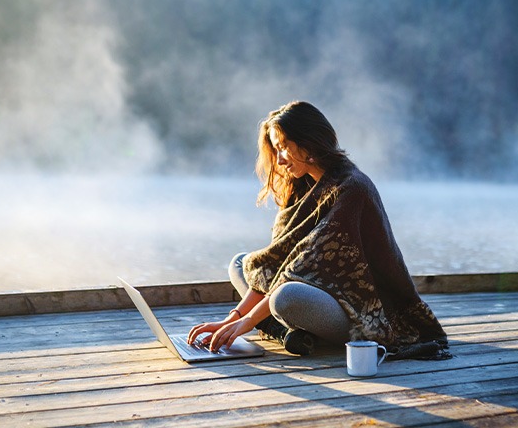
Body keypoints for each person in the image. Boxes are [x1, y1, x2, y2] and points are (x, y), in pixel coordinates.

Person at [187, 101, 449, 360]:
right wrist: (230, 319)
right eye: (276, 150)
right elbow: (277, 265)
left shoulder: (352, 188)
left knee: (285, 297)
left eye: (283, 148)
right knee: (241, 263)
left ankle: (276, 326)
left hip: (363, 310)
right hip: (317, 291)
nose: (279, 160)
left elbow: (296, 271)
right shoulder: (302, 186)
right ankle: (284, 331)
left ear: (308, 142)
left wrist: (246, 323)